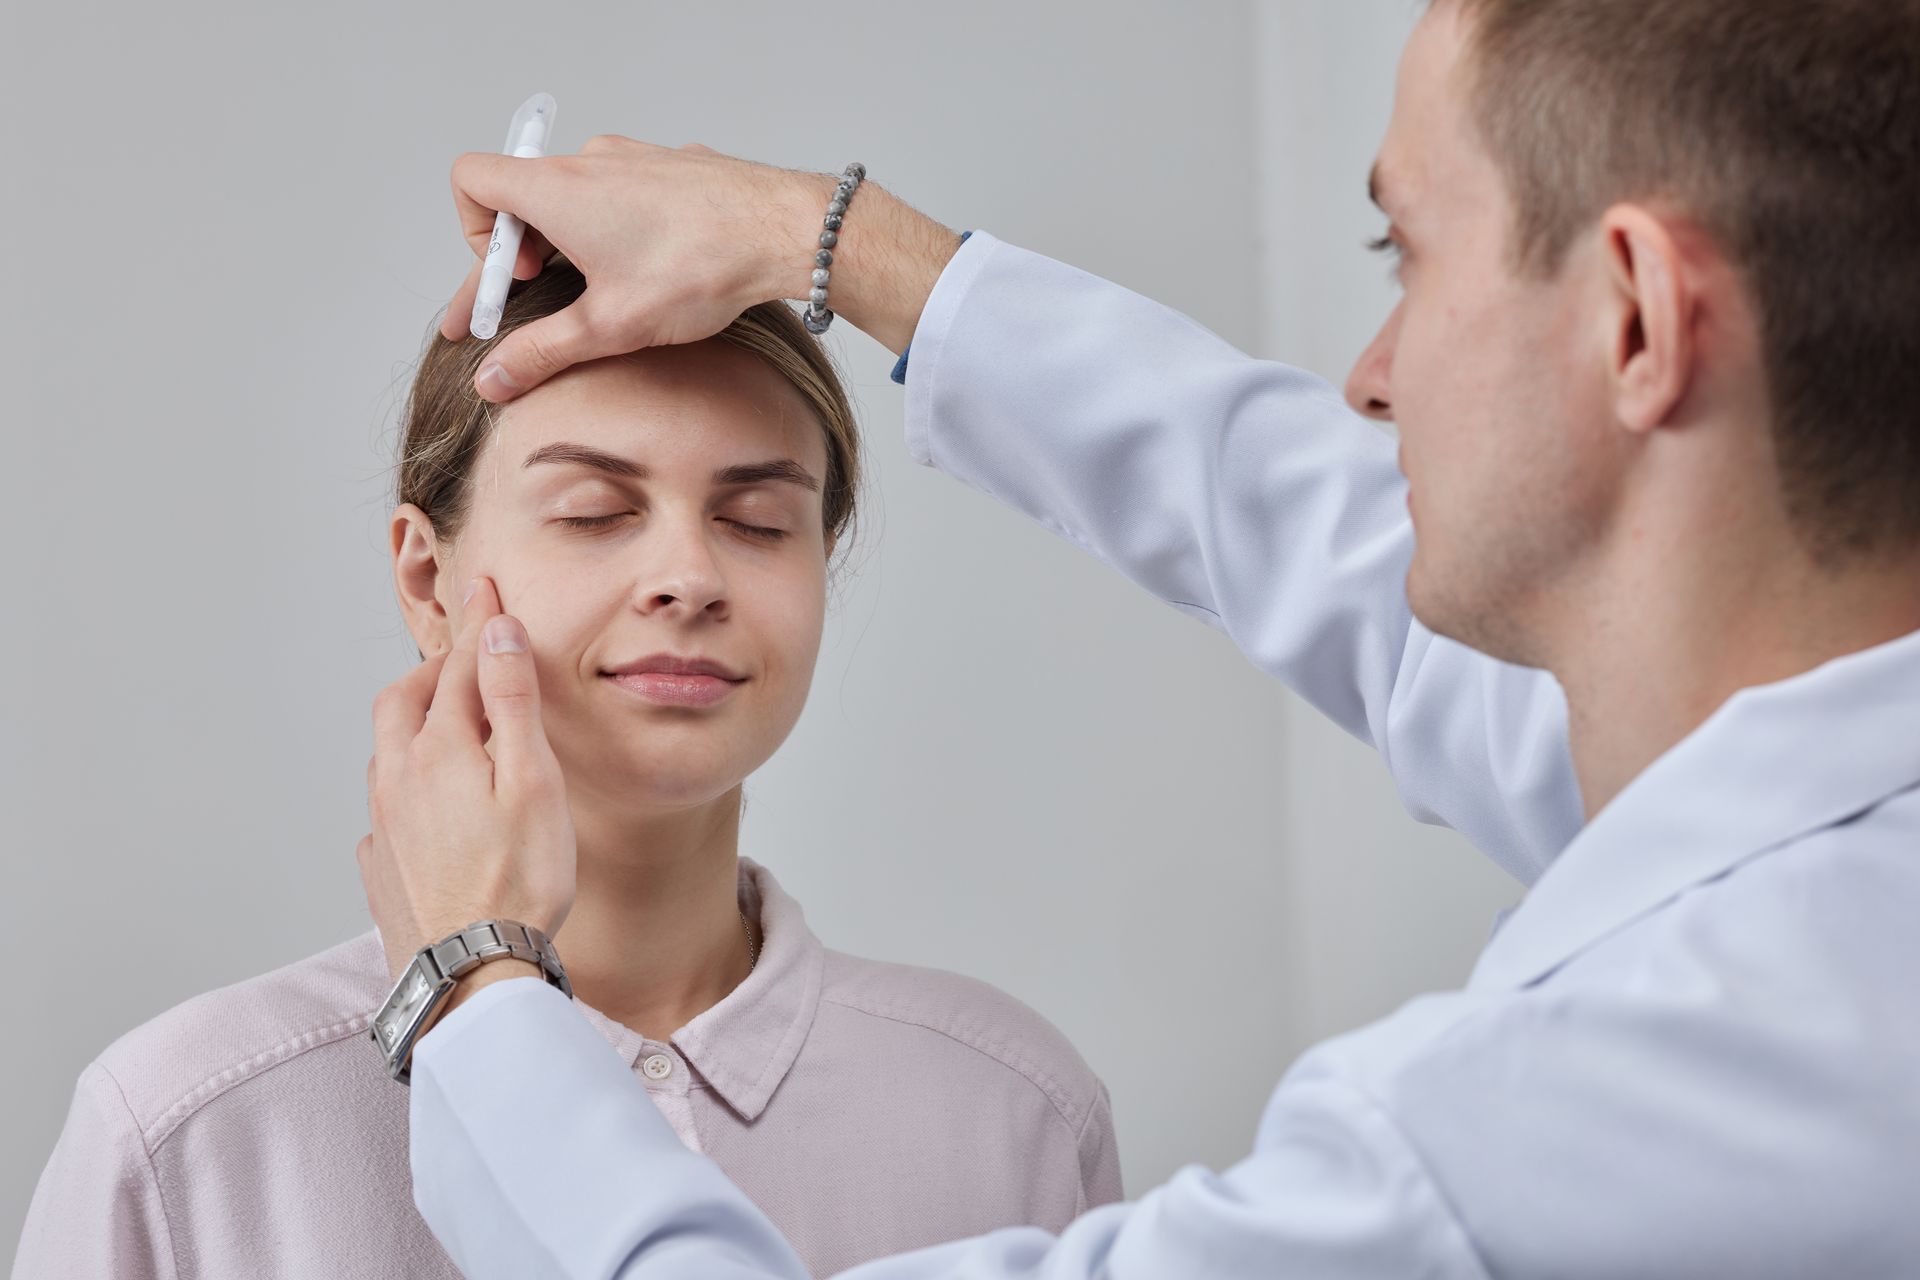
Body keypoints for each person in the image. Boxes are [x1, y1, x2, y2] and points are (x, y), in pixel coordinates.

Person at [355, 0, 1920, 1274]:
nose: (1370, 380)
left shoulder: (1580, 1124)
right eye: (593, 510)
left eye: (1411, 259)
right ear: (427, 573)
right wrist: (833, 242)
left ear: (1637, 317)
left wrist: (480, 986)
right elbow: (1321, 536)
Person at [12, 263, 1124, 1280]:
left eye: (757, 520)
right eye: (596, 512)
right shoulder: (187, 1126)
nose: (688, 575)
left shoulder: (1011, 1108)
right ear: (423, 575)